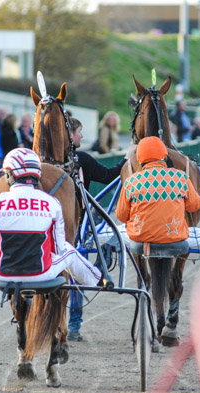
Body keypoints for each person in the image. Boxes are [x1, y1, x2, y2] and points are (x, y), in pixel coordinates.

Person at [0, 148, 103, 355]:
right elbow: (60, 247)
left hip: (2, 273)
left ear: (8, 175)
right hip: (43, 273)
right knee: (68, 252)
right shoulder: (52, 204)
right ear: (36, 175)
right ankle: (98, 281)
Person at [67, 117, 130, 341]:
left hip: (56, 224)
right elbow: (107, 176)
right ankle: (100, 271)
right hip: (78, 225)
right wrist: (127, 159)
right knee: (104, 230)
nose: (82, 136)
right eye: (79, 132)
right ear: (70, 135)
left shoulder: (50, 163)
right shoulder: (81, 158)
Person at [116, 136, 200, 244]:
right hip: (176, 237)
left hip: (140, 239)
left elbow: (121, 216)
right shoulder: (181, 177)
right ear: (164, 155)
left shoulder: (130, 182)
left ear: (139, 159)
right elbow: (194, 206)